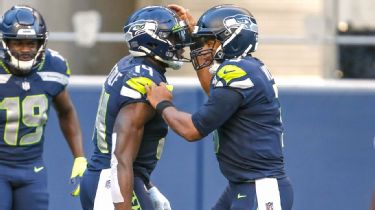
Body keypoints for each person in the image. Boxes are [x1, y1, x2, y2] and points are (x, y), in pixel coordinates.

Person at [146, 4, 294, 210]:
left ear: (232, 39)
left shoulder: (236, 72)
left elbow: (192, 130)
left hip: (260, 188)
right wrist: (196, 35)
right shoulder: (248, 67)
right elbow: (213, 91)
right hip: (242, 185)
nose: (204, 47)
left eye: (209, 41)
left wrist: (162, 103)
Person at [79, 5, 191, 210]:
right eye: (174, 38)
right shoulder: (143, 80)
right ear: (152, 39)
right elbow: (120, 157)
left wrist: (148, 186)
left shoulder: (132, 64)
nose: (181, 45)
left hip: (111, 177)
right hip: (112, 182)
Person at [0, 5, 87, 210]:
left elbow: (66, 111)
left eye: (31, 43)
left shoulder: (53, 66)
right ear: (5, 43)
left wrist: (80, 157)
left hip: (32, 169)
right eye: (18, 43)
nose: (25, 49)